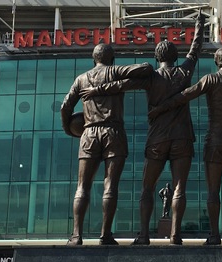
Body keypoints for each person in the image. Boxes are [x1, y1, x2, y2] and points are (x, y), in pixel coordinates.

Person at [80, 14, 205, 245]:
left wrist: (97, 90)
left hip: (157, 139)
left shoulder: (151, 77)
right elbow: (196, 48)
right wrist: (199, 25)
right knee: (179, 187)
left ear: (157, 57)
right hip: (182, 138)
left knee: (148, 187)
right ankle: (176, 235)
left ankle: (144, 235)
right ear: (175, 57)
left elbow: (122, 85)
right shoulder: (184, 71)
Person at [148, 47, 222, 245]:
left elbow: (184, 96)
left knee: (213, 192)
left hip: (215, 142)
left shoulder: (210, 80)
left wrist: (160, 108)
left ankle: (214, 235)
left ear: (216, 62)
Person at [60, 43, 153, 245]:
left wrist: (69, 129)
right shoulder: (115, 71)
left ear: (94, 59)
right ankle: (105, 235)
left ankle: (76, 235)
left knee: (82, 186)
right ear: (112, 59)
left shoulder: (81, 79)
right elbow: (146, 67)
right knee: (110, 185)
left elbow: (65, 106)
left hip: (89, 133)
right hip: (113, 132)